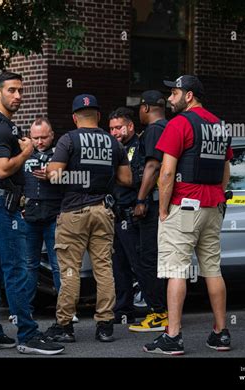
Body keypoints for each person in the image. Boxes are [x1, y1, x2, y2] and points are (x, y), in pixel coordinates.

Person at [143, 75, 232, 355]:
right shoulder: (219, 125)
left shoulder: (179, 124)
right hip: (213, 206)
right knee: (213, 269)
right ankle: (220, 333)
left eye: (174, 93)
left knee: (176, 270)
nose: (169, 98)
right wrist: (216, 195)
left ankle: (173, 336)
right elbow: (225, 172)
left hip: (184, 206)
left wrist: (162, 209)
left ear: (189, 96)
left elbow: (166, 172)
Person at [0, 71, 64, 355]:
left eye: (20, 91)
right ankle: (27, 334)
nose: (18, 96)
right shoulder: (0, 127)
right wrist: (26, 153)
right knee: (14, 269)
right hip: (0, 204)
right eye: (11, 90)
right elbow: (2, 169)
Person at [44, 94, 132, 343]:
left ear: (74, 117)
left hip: (74, 211)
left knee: (70, 269)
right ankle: (105, 326)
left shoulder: (68, 139)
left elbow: (55, 175)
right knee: (104, 269)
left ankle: (64, 325)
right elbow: (126, 179)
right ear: (99, 117)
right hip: (103, 210)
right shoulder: (113, 143)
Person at [128, 91, 169, 332]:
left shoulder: (154, 130)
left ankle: (158, 314)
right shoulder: (169, 126)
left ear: (145, 108)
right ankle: (164, 312)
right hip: (164, 203)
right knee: (157, 259)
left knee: (148, 259)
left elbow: (153, 166)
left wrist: (141, 199)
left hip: (153, 204)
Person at [23, 117, 63, 312]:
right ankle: (25, 309)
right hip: (29, 215)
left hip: (54, 214)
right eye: (35, 137)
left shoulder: (60, 155)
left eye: (44, 137)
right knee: (29, 264)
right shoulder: (23, 154)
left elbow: (74, 181)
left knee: (58, 264)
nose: (39, 142)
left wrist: (56, 174)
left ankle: (64, 310)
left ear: (52, 135)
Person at [107, 107, 141, 325]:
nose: (114, 133)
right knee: (118, 265)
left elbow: (136, 179)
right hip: (114, 214)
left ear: (130, 126)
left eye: (118, 127)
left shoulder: (138, 146)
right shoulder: (113, 149)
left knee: (138, 264)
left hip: (133, 213)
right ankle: (123, 308)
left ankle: (157, 308)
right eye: (111, 129)